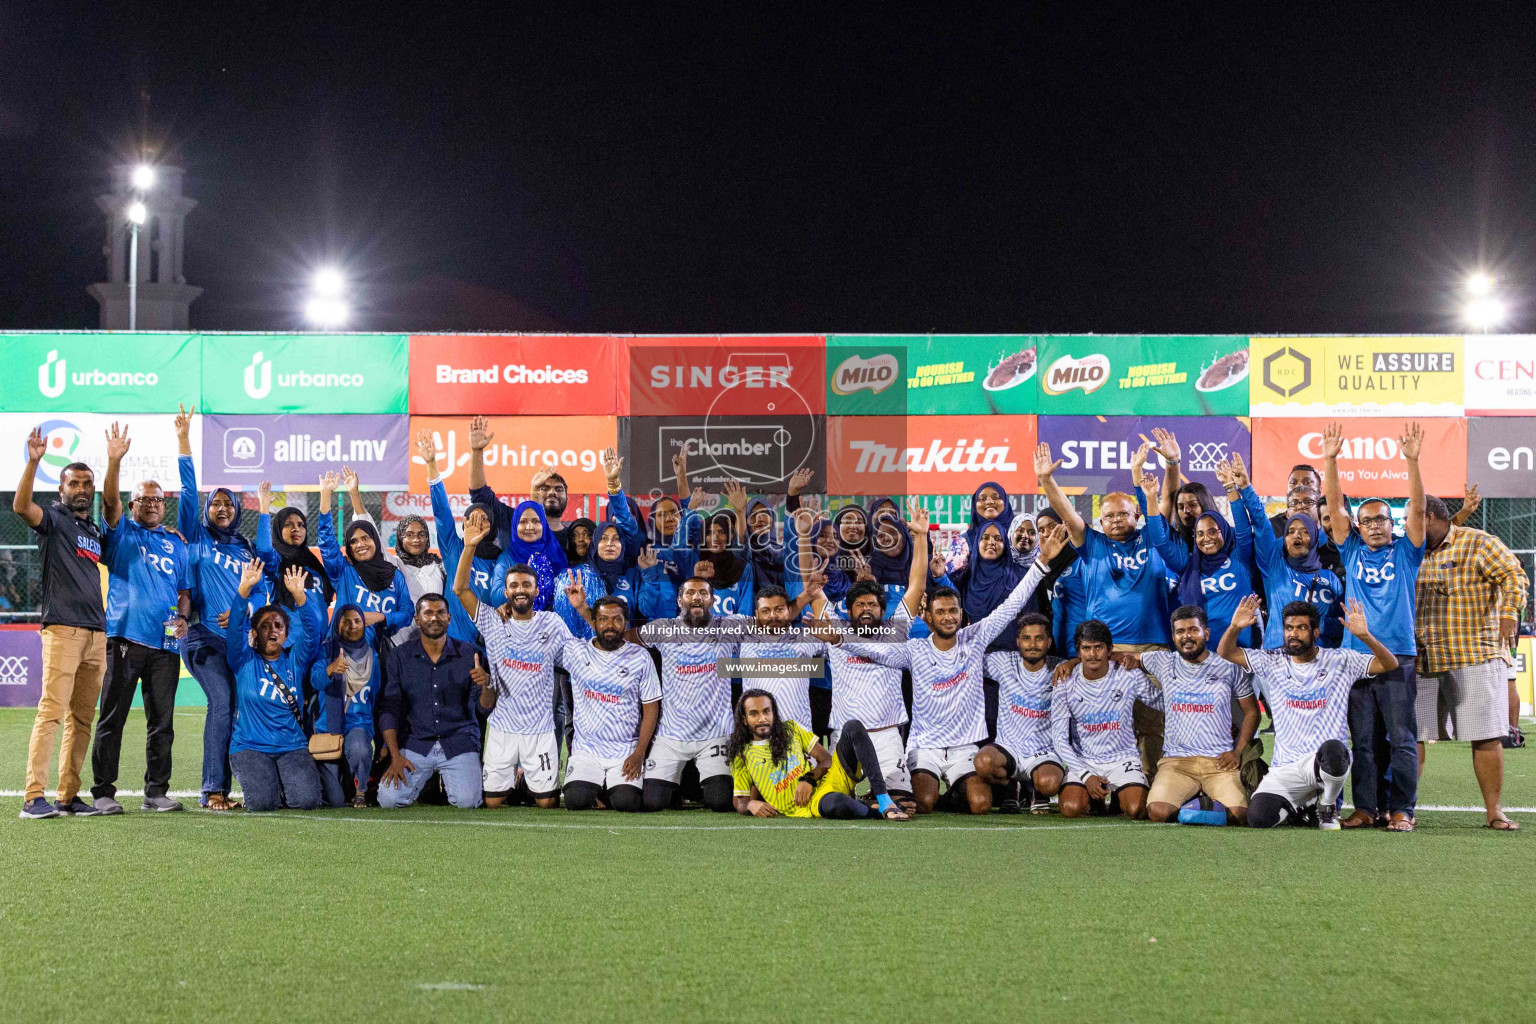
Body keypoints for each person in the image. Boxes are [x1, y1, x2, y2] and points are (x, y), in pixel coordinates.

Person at [833, 514, 1065, 815]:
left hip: (964, 748)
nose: (948, 617)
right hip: (925, 746)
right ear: (927, 616)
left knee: (981, 805)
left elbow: (1010, 607)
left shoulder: (975, 639)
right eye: (940, 611)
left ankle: (969, 790)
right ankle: (945, 793)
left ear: (961, 614)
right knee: (925, 803)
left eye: (953, 611)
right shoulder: (914, 650)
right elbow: (879, 652)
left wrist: (1041, 564)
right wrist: (839, 639)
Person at [1037, 437, 1172, 777]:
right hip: (1106, 653)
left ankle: (1151, 784)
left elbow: (1164, 500)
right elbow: (1067, 513)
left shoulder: (1153, 537)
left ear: (1137, 514)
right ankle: (1105, 782)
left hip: (1153, 649)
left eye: (1122, 514)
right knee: (1108, 723)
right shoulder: (1092, 544)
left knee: (1155, 726)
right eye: (1108, 516)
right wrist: (1046, 480)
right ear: (1099, 520)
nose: (1114, 520)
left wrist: (1167, 466)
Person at [1322, 421, 1426, 831]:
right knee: (1362, 742)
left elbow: (1417, 507)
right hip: (1356, 661)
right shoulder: (1350, 551)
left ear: (1392, 524)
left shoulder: (1407, 553)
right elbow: (1333, 505)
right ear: (1358, 526)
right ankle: (1366, 808)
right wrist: (1330, 460)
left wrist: (1411, 462)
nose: (1377, 524)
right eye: (1369, 519)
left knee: (1400, 740)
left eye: (1383, 518)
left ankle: (1402, 810)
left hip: (1398, 655)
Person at [1218, 595, 1398, 829]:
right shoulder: (1272, 660)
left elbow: (1390, 664)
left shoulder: (1339, 660)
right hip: (1284, 769)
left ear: (1315, 632)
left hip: (1324, 763)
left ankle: (1328, 806)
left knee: (1334, 748)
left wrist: (1364, 636)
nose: (1293, 634)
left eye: (1302, 628)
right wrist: (1234, 627)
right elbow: (1226, 652)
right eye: (1289, 628)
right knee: (1259, 818)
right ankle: (1301, 809)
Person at [804, 502, 933, 808]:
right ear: (849, 611)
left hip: (887, 734)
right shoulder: (835, 627)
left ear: (882, 609)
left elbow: (917, 584)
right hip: (844, 737)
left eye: (872, 605)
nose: (865, 609)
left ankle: (877, 799)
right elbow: (814, 589)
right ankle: (868, 799)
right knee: (832, 803)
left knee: (908, 804)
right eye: (859, 605)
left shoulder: (897, 628)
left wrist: (920, 537)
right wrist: (806, 537)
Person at [13, 426, 113, 819]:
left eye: (87, 482)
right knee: (51, 712)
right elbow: (22, 507)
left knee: (82, 719)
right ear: (62, 488)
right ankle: (33, 797)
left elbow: (113, 512)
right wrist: (33, 462)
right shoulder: (53, 519)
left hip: (96, 634)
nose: (82, 488)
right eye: (74, 483)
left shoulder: (92, 530)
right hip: (63, 629)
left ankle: (68, 796)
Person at [1415, 495, 1528, 830]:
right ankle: (1404, 809)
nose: (1407, 525)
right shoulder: (1410, 550)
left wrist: (1509, 615)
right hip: (1423, 658)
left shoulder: (1478, 543)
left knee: (1487, 736)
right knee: (1413, 738)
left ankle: (1494, 810)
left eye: (1411, 517)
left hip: (1473, 655)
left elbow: (1514, 576)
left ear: (1430, 516)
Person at [90, 449, 193, 814]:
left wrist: (183, 618)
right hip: (125, 639)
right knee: (112, 718)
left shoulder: (176, 543)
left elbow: (184, 593)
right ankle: (103, 791)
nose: (151, 504)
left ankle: (156, 792)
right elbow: (109, 501)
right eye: (144, 499)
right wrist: (114, 460)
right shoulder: (121, 533)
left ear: (165, 506)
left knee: (162, 723)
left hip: (165, 645)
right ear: (132, 505)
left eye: (158, 499)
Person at [455, 514, 577, 809]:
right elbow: (460, 590)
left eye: (526, 584)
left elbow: (578, 659)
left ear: (536, 590)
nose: (520, 589)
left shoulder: (552, 623)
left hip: (540, 730)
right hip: (502, 728)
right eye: (514, 585)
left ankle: (529, 785)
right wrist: (470, 547)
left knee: (548, 804)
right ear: (505, 592)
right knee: (493, 803)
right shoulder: (493, 621)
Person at [174, 405, 260, 811]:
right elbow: (189, 494)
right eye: (215, 504)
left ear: (238, 510)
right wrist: (184, 442)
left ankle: (239, 784)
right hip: (203, 636)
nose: (221, 508)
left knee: (242, 706)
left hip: (239, 641)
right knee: (222, 701)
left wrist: (248, 611)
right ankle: (212, 790)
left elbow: (263, 590)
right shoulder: (196, 538)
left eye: (228, 503)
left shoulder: (244, 548)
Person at [1120, 605, 1260, 825]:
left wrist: (1238, 752)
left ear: (1206, 633)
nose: (1186, 636)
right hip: (1177, 762)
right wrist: (1073, 662)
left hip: (1219, 762)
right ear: (1174, 636)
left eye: (1193, 630)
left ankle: (1197, 802)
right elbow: (1120, 656)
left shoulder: (1229, 665)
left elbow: (1252, 712)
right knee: (1157, 811)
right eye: (1180, 632)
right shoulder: (1162, 661)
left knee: (1240, 814)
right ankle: (1197, 800)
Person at [634, 577, 743, 812]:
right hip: (672, 735)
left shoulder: (729, 627)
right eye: (690, 593)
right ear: (679, 600)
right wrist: (583, 610)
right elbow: (619, 636)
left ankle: (694, 786)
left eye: (703, 593)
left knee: (721, 801)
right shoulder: (664, 628)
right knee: (653, 802)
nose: (696, 597)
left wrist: (806, 597)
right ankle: (676, 788)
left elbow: (771, 622)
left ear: (712, 600)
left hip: (716, 734)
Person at [377, 594, 495, 809]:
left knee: (468, 802)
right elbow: (389, 709)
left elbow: (484, 709)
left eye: (440, 612)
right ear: (417, 619)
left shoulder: (470, 655)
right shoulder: (399, 656)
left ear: (449, 618)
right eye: (428, 613)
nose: (434, 618)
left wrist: (487, 684)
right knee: (388, 800)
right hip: (416, 743)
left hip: (459, 742)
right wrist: (395, 756)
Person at [225, 560, 325, 812]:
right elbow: (235, 627)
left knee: (307, 801)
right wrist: (243, 591)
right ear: (255, 634)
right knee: (262, 804)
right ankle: (269, 786)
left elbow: (313, 634)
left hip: (292, 746)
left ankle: (280, 783)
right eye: (265, 626)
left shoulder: (296, 660)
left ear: (286, 634)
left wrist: (300, 597)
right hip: (250, 747)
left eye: (279, 626)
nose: (272, 630)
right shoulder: (243, 659)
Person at [728, 690, 909, 820]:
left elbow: (827, 760)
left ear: (773, 713)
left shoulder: (791, 729)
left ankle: (884, 800)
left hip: (830, 779)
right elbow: (741, 801)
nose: (762, 718)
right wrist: (751, 804)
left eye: (766, 711)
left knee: (852, 726)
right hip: (811, 804)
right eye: (754, 714)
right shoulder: (741, 754)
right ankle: (875, 811)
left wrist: (808, 780)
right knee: (836, 804)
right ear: (744, 719)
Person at [1051, 620, 1162, 819]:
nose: (1092, 654)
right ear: (1078, 652)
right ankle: (1095, 799)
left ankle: (1119, 795)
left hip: (1123, 759)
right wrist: (1086, 775)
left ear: (1109, 649)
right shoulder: (1064, 682)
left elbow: (1161, 702)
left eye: (1098, 647)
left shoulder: (1128, 675)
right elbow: (1059, 740)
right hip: (1085, 761)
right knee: (1071, 808)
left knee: (1136, 809)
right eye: (1086, 648)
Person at [561, 596, 662, 812]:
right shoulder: (575, 651)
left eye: (617, 620)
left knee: (627, 803)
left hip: (625, 750)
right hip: (587, 749)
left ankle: (609, 789)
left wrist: (638, 754)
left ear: (626, 623)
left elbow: (651, 708)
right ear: (594, 622)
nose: (610, 625)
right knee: (576, 801)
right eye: (603, 619)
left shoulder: (641, 657)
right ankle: (593, 787)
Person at [1144, 463, 1258, 649]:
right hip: (1198, 654)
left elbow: (1244, 529)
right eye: (1200, 534)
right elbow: (1160, 540)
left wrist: (1230, 487)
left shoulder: (1239, 559)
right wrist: (1150, 499)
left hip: (1236, 651)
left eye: (1213, 531)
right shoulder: (1187, 563)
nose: (1207, 538)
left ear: (1224, 531)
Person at [1232, 469, 1343, 651]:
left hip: (1320, 659)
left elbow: (1343, 623)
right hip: (1278, 655)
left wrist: (1319, 626)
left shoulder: (1332, 578)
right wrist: (1244, 487)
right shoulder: (1275, 565)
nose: (1297, 535)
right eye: (1290, 532)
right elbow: (1260, 522)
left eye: (1305, 531)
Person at [415, 431, 504, 644]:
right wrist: (432, 465)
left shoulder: (503, 559)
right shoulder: (454, 549)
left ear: (492, 527)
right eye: (472, 519)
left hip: (492, 645)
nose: (478, 524)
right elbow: (442, 514)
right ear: (463, 525)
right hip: (454, 644)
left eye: (484, 519)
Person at [974, 613, 1064, 814]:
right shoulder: (1003, 662)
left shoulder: (1061, 669)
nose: (1032, 644)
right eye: (1026, 638)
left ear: (1048, 642)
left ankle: (1039, 792)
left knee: (1049, 783)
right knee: (983, 762)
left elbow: (1093, 667)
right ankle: (1011, 787)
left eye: (1039, 638)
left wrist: (1074, 663)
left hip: (1044, 751)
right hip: (1009, 747)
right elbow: (965, 659)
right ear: (1018, 641)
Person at [318, 470, 413, 648]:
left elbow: (408, 613)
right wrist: (325, 495)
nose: (360, 544)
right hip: (340, 651)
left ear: (375, 540)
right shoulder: (344, 571)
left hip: (379, 653)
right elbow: (326, 543)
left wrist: (381, 617)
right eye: (353, 541)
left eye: (365, 538)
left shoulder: (394, 575)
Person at [310, 605, 379, 809]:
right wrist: (331, 669)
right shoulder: (325, 650)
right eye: (346, 621)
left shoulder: (372, 656)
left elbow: (375, 693)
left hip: (358, 721)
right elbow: (316, 680)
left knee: (359, 747)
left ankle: (361, 791)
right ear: (337, 623)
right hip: (328, 726)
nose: (352, 626)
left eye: (357, 621)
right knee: (336, 800)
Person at [735, 585, 820, 727]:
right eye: (765, 611)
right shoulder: (745, 639)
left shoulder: (806, 638)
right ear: (757, 615)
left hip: (799, 736)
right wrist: (807, 594)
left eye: (779, 609)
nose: (773, 615)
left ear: (790, 610)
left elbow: (843, 644)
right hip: (758, 736)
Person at [253, 483, 334, 613]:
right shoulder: (276, 562)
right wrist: (264, 507)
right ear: (278, 530)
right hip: (288, 632)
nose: (296, 529)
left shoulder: (314, 563)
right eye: (288, 524)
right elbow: (264, 550)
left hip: (321, 633)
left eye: (301, 525)